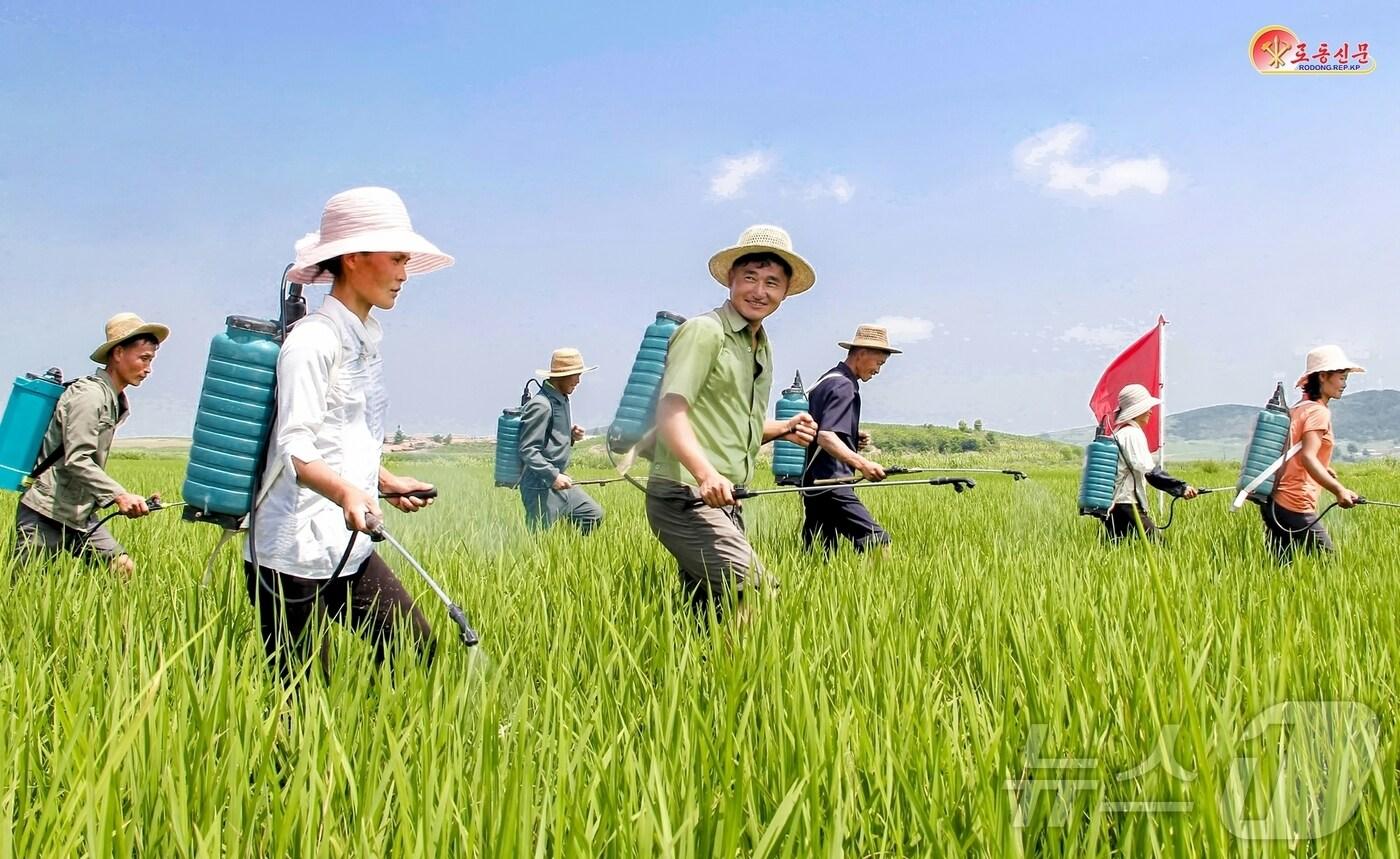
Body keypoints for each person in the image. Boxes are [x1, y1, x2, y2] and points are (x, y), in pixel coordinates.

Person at [244, 186, 451, 670]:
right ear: (354, 257)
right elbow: (295, 447)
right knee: (301, 696)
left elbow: (342, 435)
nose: (404, 274)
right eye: (397, 259)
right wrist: (346, 494)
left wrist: (383, 482)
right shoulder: (313, 341)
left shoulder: (363, 338)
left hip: (345, 544)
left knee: (415, 649)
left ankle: (379, 742)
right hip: (290, 555)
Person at [646, 225, 819, 622]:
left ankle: (700, 678)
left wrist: (783, 428)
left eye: (772, 282)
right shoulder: (705, 332)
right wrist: (706, 475)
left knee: (708, 609)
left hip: (725, 497)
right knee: (755, 592)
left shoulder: (759, 345)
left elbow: (731, 428)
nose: (760, 291)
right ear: (731, 280)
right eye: (750, 278)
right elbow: (670, 413)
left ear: (786, 291)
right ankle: (748, 680)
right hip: (685, 494)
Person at [14, 313, 170, 578]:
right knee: (25, 589)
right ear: (118, 353)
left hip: (80, 512)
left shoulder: (114, 399)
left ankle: (118, 620)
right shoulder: (89, 396)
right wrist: (119, 495)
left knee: (122, 569)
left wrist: (135, 500)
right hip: (46, 509)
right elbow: (78, 459)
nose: (148, 368)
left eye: (151, 360)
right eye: (144, 358)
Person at [800, 324, 901, 554]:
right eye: (878, 363)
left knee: (819, 552)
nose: (878, 370)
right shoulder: (844, 385)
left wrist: (851, 438)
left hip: (813, 483)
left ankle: (815, 588)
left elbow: (821, 428)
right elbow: (826, 437)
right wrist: (863, 464)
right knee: (877, 542)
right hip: (832, 484)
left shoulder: (827, 379)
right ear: (861, 353)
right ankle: (879, 588)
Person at [1260, 345, 1364, 562]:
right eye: (1342, 378)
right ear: (1323, 376)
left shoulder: (1299, 408)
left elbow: (1294, 454)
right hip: (1296, 503)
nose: (1344, 384)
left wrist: (1324, 469)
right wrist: (1339, 490)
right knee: (1328, 566)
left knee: (1280, 570)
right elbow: (1307, 457)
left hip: (1274, 504)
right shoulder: (1319, 412)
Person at [518, 348, 604, 534]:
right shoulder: (541, 405)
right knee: (542, 541)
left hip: (558, 480)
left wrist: (569, 436)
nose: (578, 381)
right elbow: (528, 449)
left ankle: (575, 558)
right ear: (561, 376)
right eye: (575, 375)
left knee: (592, 514)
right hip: (540, 485)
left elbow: (548, 439)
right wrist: (553, 476)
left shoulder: (561, 399)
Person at [1104, 383, 1197, 540]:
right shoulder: (1132, 434)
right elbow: (1149, 471)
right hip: (1127, 504)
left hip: (1114, 505)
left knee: (1118, 552)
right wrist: (1181, 488)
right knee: (1160, 550)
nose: (1150, 412)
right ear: (1137, 410)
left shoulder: (1121, 433)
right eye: (1146, 408)